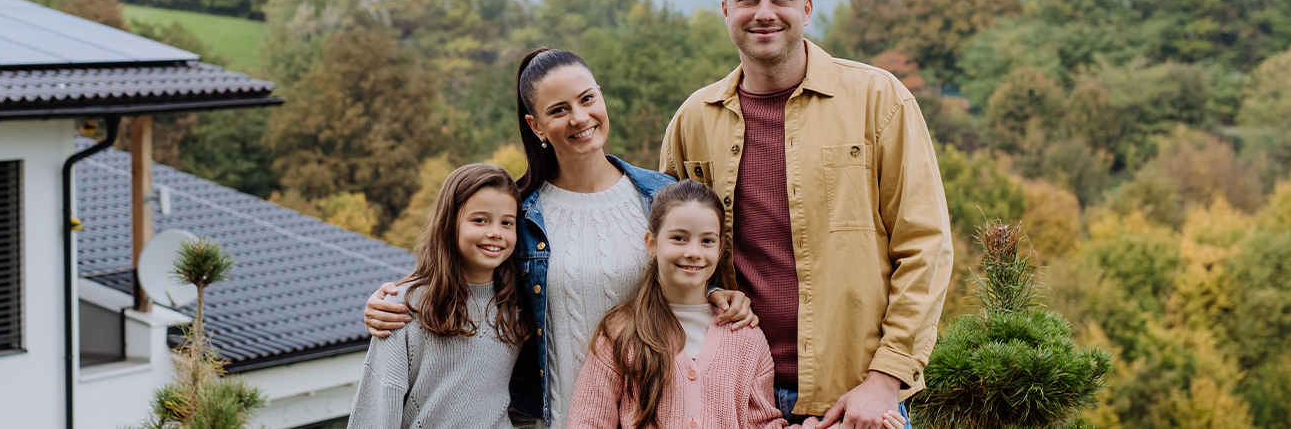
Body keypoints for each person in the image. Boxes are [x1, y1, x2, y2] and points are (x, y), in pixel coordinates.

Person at [365, 48, 758, 427]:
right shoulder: (520, 216)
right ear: (535, 125)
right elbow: (465, 280)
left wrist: (719, 295)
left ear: (601, 96)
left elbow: (690, 278)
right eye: (558, 110)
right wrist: (395, 298)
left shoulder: (660, 196)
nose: (579, 117)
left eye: (587, 99)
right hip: (554, 417)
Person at [657, 0, 953, 429]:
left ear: (807, 9)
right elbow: (669, 252)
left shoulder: (879, 100)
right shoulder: (694, 119)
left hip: (853, 397)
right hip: (729, 395)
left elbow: (925, 246)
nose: (764, 12)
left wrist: (886, 379)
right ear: (726, 10)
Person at [565, 181, 908, 429]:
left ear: (720, 249)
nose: (693, 252)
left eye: (706, 241)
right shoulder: (620, 333)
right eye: (679, 238)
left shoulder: (744, 335)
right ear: (651, 243)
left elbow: (762, 425)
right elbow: (588, 421)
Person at [349, 163, 533, 429]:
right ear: (449, 223)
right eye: (479, 220)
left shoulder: (519, 306)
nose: (495, 232)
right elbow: (378, 408)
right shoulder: (404, 307)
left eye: (507, 223)